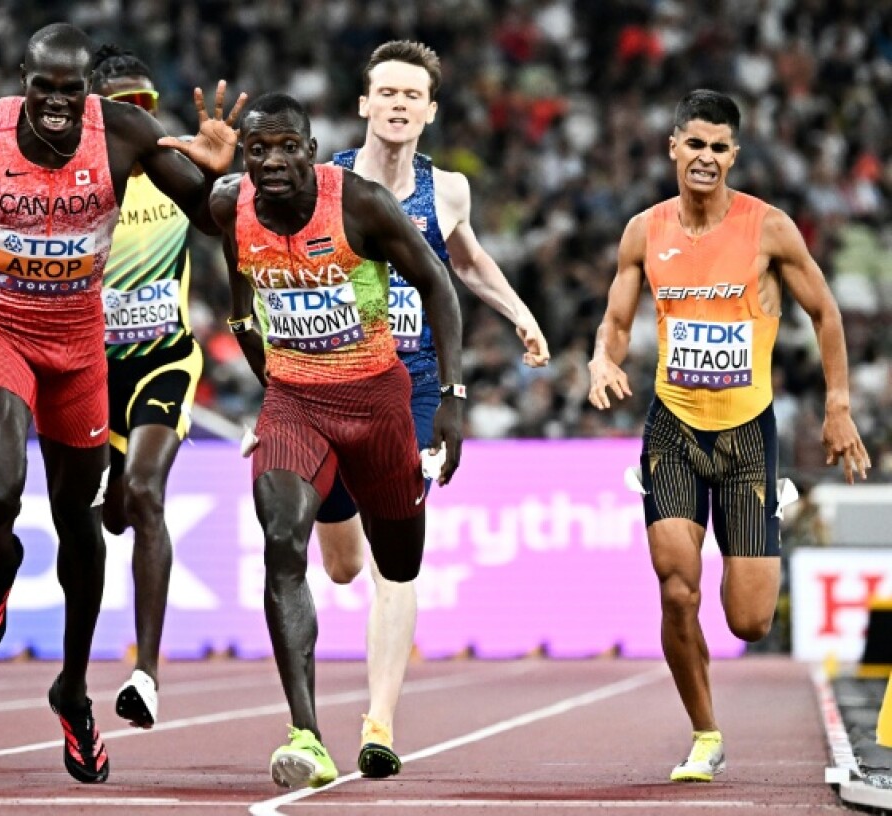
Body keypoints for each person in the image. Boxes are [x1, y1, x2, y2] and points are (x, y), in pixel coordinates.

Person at [0, 23, 243, 783]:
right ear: (22, 81)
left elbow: (210, 220)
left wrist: (220, 177)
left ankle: (72, 690)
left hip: (80, 345)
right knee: (0, 487)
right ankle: (3, 557)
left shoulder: (127, 134)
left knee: (83, 531)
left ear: (87, 93)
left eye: (69, 92)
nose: (55, 104)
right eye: (42, 88)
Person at [588, 89, 870, 782]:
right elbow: (617, 320)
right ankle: (705, 731)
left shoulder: (769, 229)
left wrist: (838, 405)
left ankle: (756, 526)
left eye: (719, 147)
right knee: (676, 589)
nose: (706, 157)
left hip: (747, 437)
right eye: (696, 144)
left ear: (733, 155)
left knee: (747, 621)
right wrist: (603, 358)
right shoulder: (643, 231)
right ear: (673, 148)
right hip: (672, 428)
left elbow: (826, 313)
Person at [209, 92, 465, 789]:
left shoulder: (361, 203)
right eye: (257, 148)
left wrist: (450, 400)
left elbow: (438, 286)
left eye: (287, 146)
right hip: (294, 402)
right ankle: (306, 735)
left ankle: (380, 716)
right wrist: (248, 337)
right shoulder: (228, 202)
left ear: (311, 150)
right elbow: (235, 279)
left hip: (377, 400)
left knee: (397, 564)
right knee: (281, 540)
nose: (272, 160)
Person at [315, 40, 550, 778]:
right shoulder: (325, 182)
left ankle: (378, 721)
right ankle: (339, 508)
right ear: (363, 104)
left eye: (411, 95)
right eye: (385, 92)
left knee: (394, 563)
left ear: (430, 110)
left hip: (411, 386)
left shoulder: (447, 190)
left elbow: (469, 260)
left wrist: (521, 315)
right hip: (331, 380)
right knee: (345, 564)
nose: (397, 104)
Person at [88, 45, 204, 730]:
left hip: (165, 360)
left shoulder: (174, 173)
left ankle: (147, 672)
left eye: (147, 107)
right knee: (110, 513)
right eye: (124, 108)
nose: (140, 120)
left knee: (144, 492)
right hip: (91, 373)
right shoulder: (78, 184)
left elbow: (235, 221)